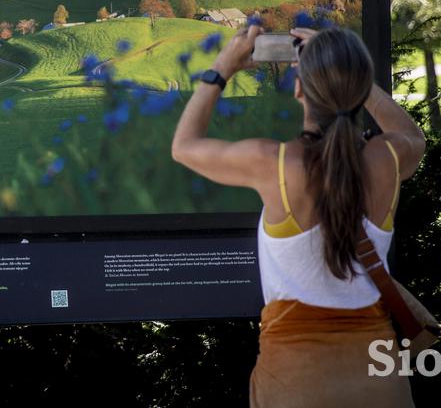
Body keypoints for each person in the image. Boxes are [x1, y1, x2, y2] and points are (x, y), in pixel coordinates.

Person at [171, 25, 425, 407]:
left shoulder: (276, 164)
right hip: (379, 377)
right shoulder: (386, 159)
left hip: (294, 380)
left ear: (299, 89)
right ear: (359, 87)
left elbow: (184, 147)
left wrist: (223, 65)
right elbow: (414, 137)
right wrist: (351, 77)